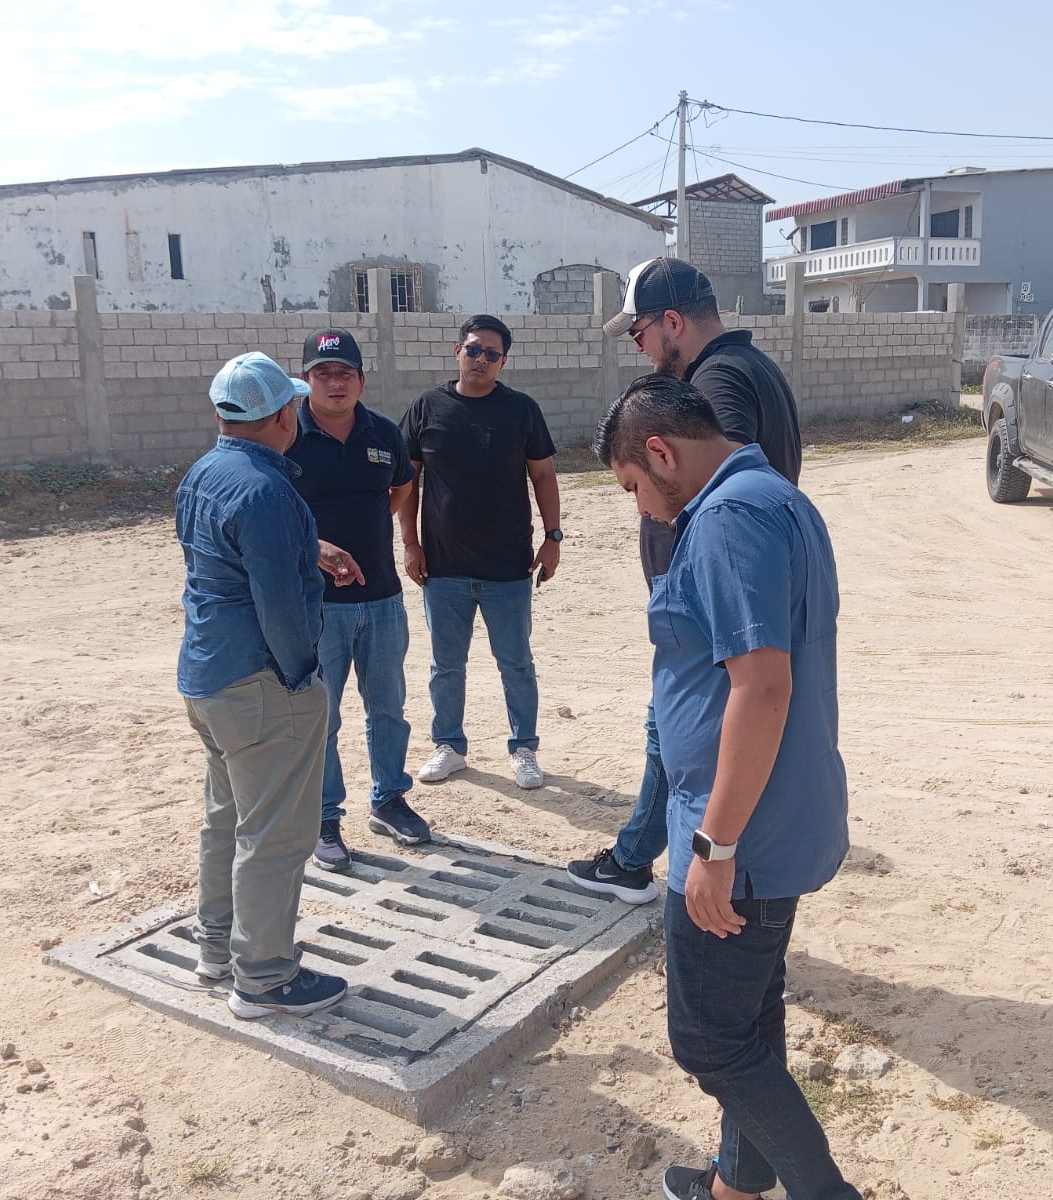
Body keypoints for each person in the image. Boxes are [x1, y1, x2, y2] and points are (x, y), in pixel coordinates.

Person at [595, 373, 858, 1200]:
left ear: (661, 452)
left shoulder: (726, 519)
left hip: (738, 834)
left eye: (634, 487)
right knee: (750, 1014)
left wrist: (714, 847)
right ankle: (737, 1185)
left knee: (709, 1040)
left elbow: (762, 687)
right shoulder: (771, 495)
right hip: (763, 821)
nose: (643, 509)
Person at [568, 257, 801, 904]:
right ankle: (641, 855)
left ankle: (665, 864)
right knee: (675, 732)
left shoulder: (717, 380)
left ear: (672, 321)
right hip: (718, 601)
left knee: (679, 735)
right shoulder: (749, 367)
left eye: (639, 332)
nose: (638, 347)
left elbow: (711, 491)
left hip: (707, 607)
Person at [176, 351, 362, 1020]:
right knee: (277, 834)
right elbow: (280, 604)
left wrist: (308, 545)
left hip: (207, 673)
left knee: (228, 818)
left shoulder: (203, 473)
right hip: (260, 682)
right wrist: (301, 676)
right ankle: (263, 978)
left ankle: (216, 946)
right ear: (284, 416)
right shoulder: (267, 491)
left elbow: (225, 555)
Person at [286, 329, 429, 873]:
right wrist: (316, 546)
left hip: (383, 600)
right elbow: (271, 510)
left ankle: (389, 799)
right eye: (323, 373)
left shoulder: (384, 433)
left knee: (388, 708)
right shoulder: (287, 435)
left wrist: (373, 525)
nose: (335, 382)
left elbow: (403, 486)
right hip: (317, 607)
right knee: (322, 717)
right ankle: (324, 817)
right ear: (306, 381)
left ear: (362, 380)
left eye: (344, 372)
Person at [398, 314, 561, 790]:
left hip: (508, 565)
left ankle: (524, 748)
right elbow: (407, 482)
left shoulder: (521, 410)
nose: (481, 360)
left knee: (516, 663)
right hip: (443, 565)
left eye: (492, 354)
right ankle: (449, 745)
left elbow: (543, 475)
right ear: (458, 352)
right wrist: (410, 543)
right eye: (473, 349)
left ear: (503, 362)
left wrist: (553, 538)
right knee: (446, 665)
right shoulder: (426, 407)